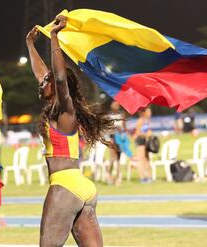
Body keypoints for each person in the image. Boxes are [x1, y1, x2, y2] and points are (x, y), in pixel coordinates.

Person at [26, 16, 115, 247]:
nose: (40, 83)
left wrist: (55, 37)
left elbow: (59, 77)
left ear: (55, 87)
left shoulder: (64, 110)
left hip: (64, 187)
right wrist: (30, 45)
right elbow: (42, 74)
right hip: (83, 188)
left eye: (46, 82)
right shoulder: (60, 111)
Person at [106, 101, 127, 185]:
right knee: (113, 158)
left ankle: (117, 177)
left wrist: (122, 132)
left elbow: (125, 128)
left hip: (119, 139)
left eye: (117, 105)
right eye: (114, 104)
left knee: (118, 159)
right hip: (111, 139)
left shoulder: (121, 115)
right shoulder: (109, 116)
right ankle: (111, 175)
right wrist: (115, 128)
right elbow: (107, 128)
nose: (115, 106)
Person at [133, 107, 153, 183]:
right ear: (144, 113)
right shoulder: (140, 121)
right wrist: (146, 135)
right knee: (141, 159)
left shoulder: (147, 121)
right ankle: (142, 178)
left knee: (147, 159)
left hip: (146, 141)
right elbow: (137, 133)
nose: (150, 114)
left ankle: (149, 177)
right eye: (149, 112)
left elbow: (149, 131)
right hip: (140, 141)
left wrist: (150, 135)